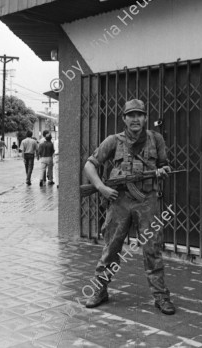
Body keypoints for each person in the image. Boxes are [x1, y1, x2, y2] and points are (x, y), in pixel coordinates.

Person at [83, 99, 175, 315]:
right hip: (119, 201)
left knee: (152, 248)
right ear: (124, 118)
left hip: (148, 201)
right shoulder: (113, 141)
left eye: (139, 115)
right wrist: (101, 187)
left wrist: (163, 171)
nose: (135, 119)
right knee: (111, 248)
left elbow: (164, 165)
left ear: (144, 118)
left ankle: (161, 297)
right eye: (131, 115)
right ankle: (99, 290)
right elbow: (90, 164)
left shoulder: (156, 139)